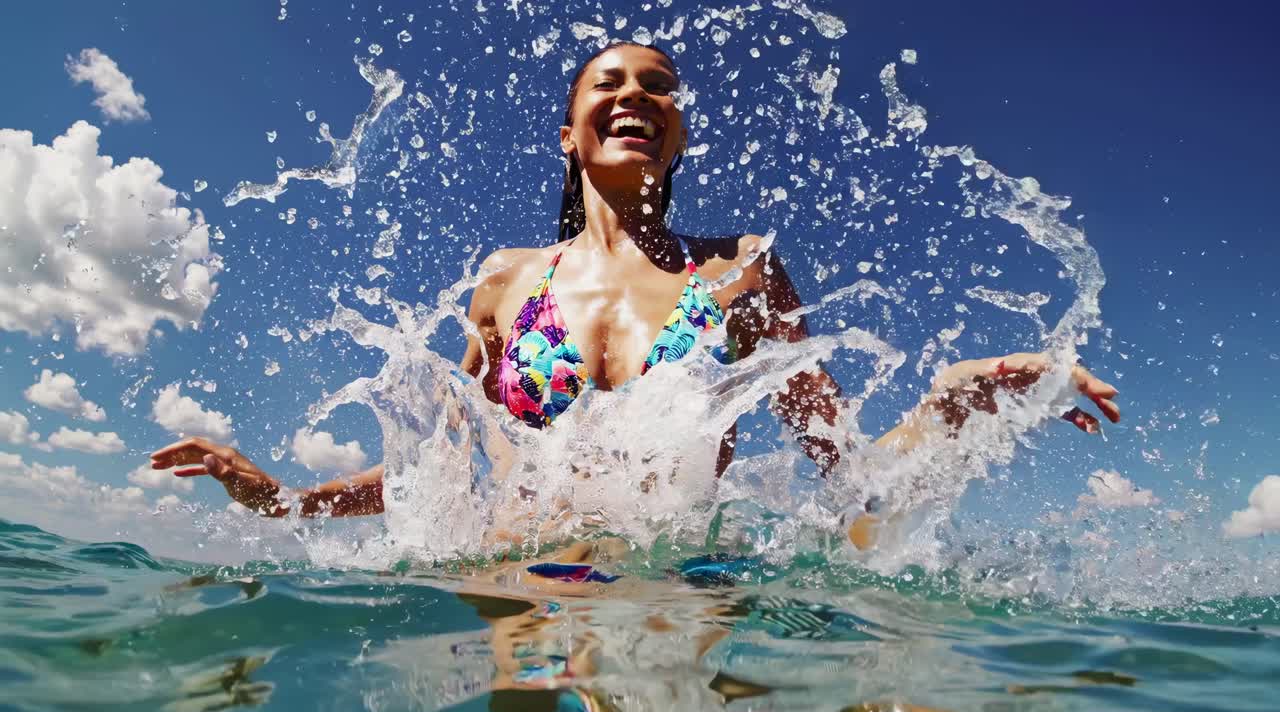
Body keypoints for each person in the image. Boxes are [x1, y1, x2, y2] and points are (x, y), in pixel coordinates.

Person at [150, 41, 1120, 547]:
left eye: (659, 87)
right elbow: (443, 480)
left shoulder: (738, 272)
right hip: (515, 588)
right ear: (570, 133)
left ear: (677, 134)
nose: (636, 95)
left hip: (677, 594)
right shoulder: (504, 281)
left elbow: (845, 473)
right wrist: (285, 505)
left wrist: (949, 399)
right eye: (608, 83)